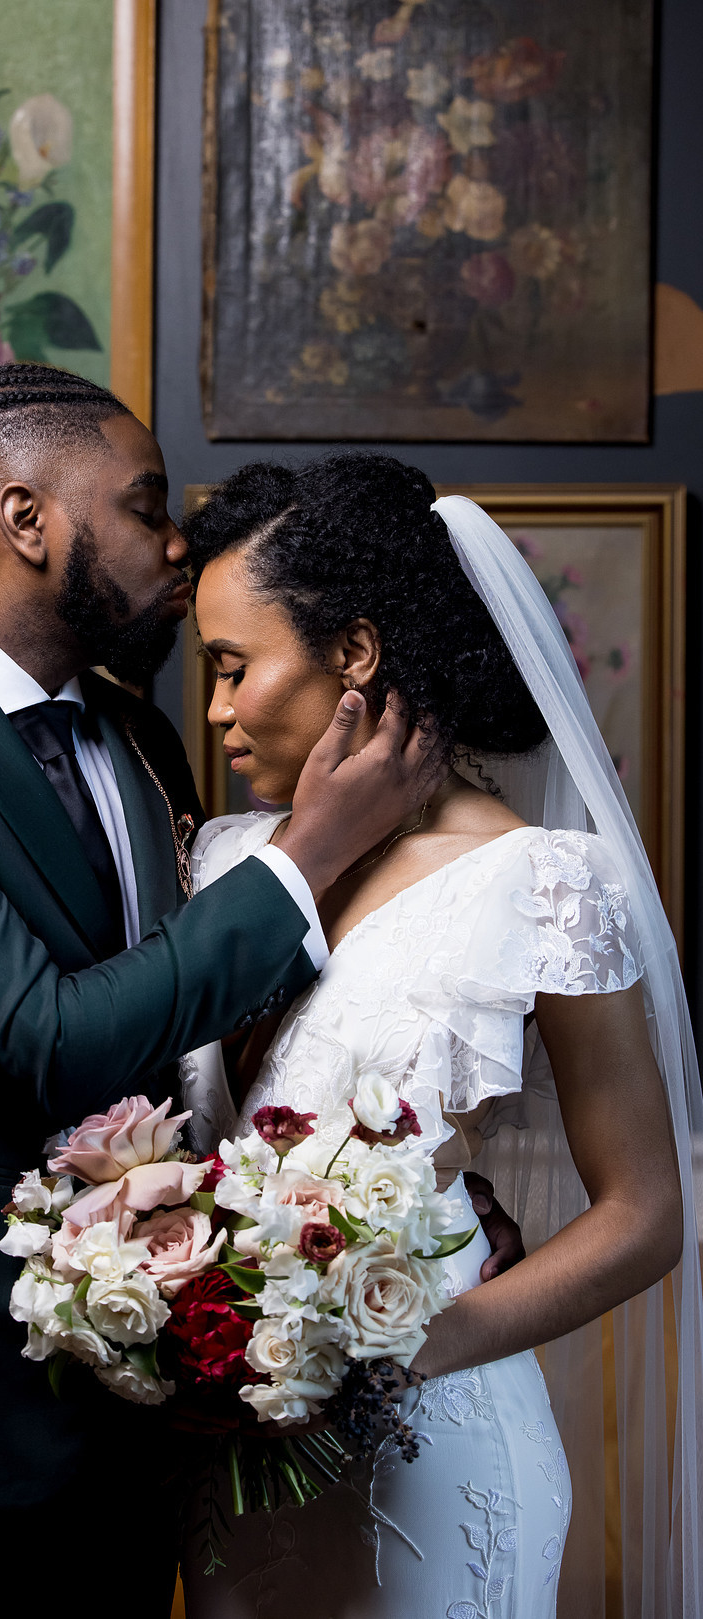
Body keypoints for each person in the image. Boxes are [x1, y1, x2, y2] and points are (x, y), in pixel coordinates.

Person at [0, 368, 522, 1619]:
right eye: (146, 505)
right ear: (30, 519)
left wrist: (409, 1210)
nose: (178, 541)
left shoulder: (134, 732)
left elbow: (187, 1043)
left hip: (127, 1400)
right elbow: (53, 1036)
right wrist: (312, 849)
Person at [177, 452, 701, 1619]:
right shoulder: (224, 862)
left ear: (353, 653)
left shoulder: (542, 879)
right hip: (238, 1465)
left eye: (232, 666)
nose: (214, 708)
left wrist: (416, 1344)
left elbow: (645, 1211)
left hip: (432, 1451)